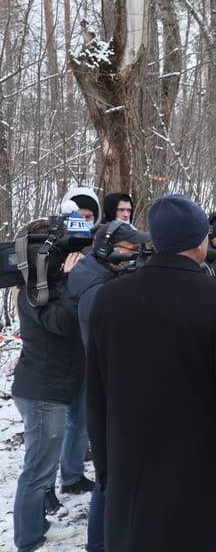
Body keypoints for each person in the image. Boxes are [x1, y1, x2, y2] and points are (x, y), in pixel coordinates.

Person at [87, 195, 216, 551]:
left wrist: (104, 463)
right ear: (198, 241)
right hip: (201, 466)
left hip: (131, 462)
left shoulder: (110, 297)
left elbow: (96, 388)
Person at [68, 219, 151, 551]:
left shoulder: (102, 277)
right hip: (112, 392)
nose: (135, 255)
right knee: (110, 478)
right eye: (131, 249)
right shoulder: (97, 291)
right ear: (106, 249)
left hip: (110, 389)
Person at [11, 219, 86, 552]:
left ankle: (37, 526)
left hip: (51, 387)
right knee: (37, 473)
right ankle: (28, 540)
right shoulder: (34, 288)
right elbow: (63, 322)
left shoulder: (47, 282)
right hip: (42, 392)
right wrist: (72, 280)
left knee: (41, 469)